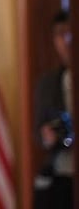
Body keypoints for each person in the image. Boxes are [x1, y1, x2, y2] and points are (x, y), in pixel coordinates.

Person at [33, 10, 73, 208]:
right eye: (60, 34)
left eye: (70, 33)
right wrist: (47, 134)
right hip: (61, 173)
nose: (66, 40)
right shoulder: (47, 83)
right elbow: (38, 130)